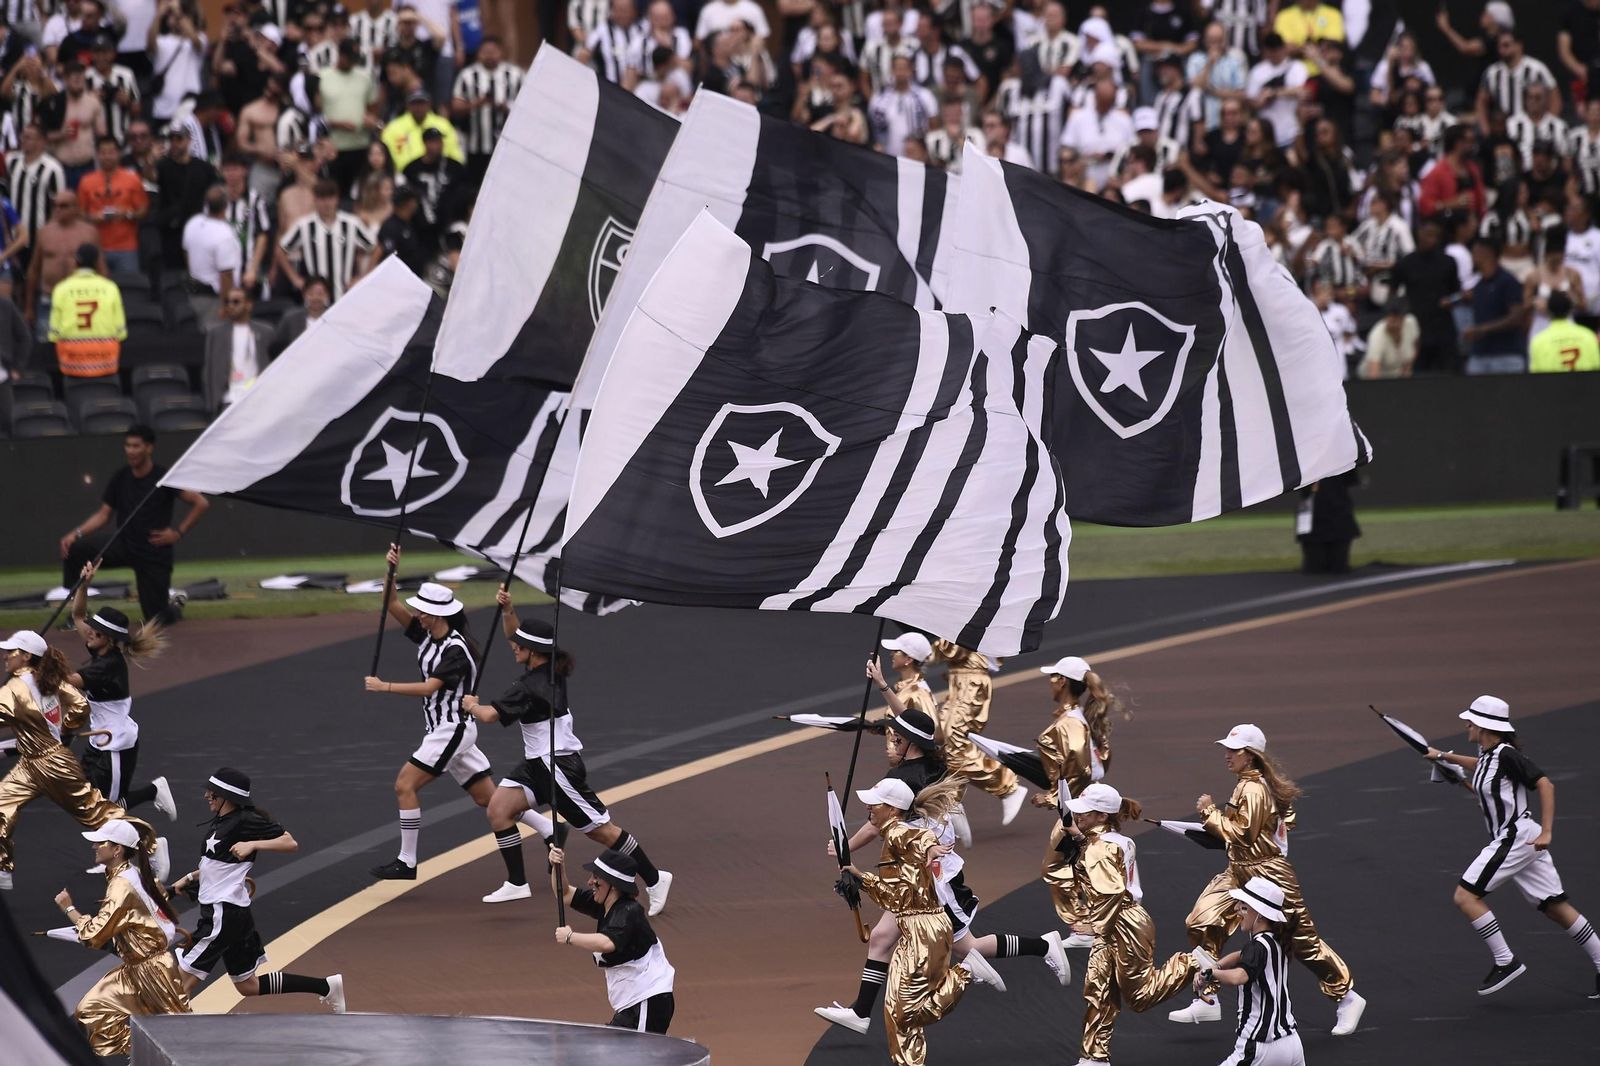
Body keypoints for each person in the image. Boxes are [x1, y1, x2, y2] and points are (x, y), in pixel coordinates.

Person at [461, 589, 673, 912]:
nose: (512, 645)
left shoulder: (529, 687)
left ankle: (655, 878)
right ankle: (517, 883)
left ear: (532, 652)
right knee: (498, 808)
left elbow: (490, 715)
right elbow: (515, 635)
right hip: (537, 764)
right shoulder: (549, 670)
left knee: (603, 832)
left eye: (518, 645)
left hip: (557, 767)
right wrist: (508, 610)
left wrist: (473, 706)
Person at [1169, 724, 1365, 1036]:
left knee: (1302, 942)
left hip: (1269, 874)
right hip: (1239, 870)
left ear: (1250, 756)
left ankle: (1347, 996)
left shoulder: (1254, 789)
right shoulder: (1247, 785)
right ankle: (1207, 996)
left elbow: (1243, 835)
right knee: (1201, 920)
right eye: (1228, 749)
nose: (1226, 755)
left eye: (1234, 750)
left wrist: (1209, 814)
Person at [1426, 696, 1600, 999]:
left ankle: (1505, 961)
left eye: (1471, 721)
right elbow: (1481, 771)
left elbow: (1546, 784)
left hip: (1517, 837)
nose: (1466, 724)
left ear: (1484, 726)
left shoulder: (1506, 755)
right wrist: (1444, 758)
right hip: (1521, 837)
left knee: (1465, 896)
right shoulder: (1489, 755)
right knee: (1555, 907)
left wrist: (1547, 831)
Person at [839, 777, 1002, 1066]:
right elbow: (894, 896)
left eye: (874, 804)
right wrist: (859, 878)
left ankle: (966, 971)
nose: (867, 807)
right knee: (894, 1010)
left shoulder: (899, 832)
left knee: (905, 1013)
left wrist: (930, 849)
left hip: (925, 929)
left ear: (892, 809)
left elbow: (920, 839)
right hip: (912, 924)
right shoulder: (892, 835)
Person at [362, 551, 501, 882]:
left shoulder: (455, 650)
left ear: (437, 616)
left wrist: (385, 687)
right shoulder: (427, 634)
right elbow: (391, 605)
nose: (416, 615)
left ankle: (406, 860)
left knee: (404, 784)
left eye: (422, 611)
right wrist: (391, 570)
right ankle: (550, 829)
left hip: (451, 728)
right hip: (443, 728)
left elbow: (429, 689)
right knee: (490, 800)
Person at [169, 767, 346, 1011]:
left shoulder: (246, 820)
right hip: (235, 914)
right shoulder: (221, 821)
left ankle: (169, 1042)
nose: (207, 796)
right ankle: (326, 987)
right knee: (247, 985)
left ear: (227, 796)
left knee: (180, 984)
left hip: (223, 913)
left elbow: (290, 842)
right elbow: (217, 865)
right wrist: (189, 877)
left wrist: (252, 844)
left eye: (213, 792)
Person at [0, 629, 158, 893]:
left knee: (94, 813)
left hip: (51, 766)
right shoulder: (49, 679)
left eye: (11, 652)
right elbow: (80, 706)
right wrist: (64, 729)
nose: (5, 656)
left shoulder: (14, 688)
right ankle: (3, 868)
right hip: (35, 761)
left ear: (27, 656)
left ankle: (148, 842)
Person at [1059, 782, 1202, 1066]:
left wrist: (1094, 926)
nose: (1079, 817)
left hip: (1119, 922)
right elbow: (1103, 859)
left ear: (1102, 817)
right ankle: (1094, 1057)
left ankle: (1194, 962)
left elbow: (1111, 891)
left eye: (1086, 813)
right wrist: (1080, 838)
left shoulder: (1099, 848)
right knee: (1099, 990)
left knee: (1140, 997)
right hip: (1120, 919)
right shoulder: (1112, 840)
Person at [56, 819, 190, 1057]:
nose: (94, 846)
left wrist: (69, 909)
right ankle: (146, 1055)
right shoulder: (131, 874)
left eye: (100, 843)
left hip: (152, 970)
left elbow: (94, 935)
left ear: (117, 849)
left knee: (183, 1035)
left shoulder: (121, 884)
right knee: (90, 1012)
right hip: (136, 968)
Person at [60, 424, 209, 625]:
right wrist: (75, 533)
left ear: (149, 448)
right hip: (124, 544)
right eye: (127, 446)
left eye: (136, 446)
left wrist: (178, 533)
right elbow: (104, 515)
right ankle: (76, 612)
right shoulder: (121, 477)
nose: (130, 451)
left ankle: (174, 607)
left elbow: (201, 502)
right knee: (76, 550)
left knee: (156, 621)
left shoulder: (164, 478)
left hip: (154, 552)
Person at [67, 563, 177, 829]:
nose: (90, 632)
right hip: (100, 740)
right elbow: (79, 615)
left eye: (97, 632)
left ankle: (139, 854)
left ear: (109, 639)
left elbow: (69, 681)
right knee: (88, 801)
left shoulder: (108, 666)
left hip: (116, 744)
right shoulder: (100, 650)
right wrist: (84, 584)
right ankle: (152, 792)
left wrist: (38, 663)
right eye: (93, 629)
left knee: (108, 809)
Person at [549, 846, 677, 1032]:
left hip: (646, 999)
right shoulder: (605, 905)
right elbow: (565, 894)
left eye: (597, 879)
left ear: (614, 885)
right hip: (632, 1004)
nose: (590, 881)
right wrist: (557, 866)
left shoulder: (628, 911)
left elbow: (608, 943)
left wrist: (570, 937)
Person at [1198, 876, 1305, 1066]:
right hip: (1292, 1045)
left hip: (1261, 1048)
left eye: (1243, 905)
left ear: (1260, 914)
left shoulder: (1256, 947)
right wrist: (1218, 965)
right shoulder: (1276, 942)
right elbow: (1241, 955)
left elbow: (1239, 977)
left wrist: (1210, 974)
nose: (1237, 909)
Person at [931, 639, 1025, 831]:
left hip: (970, 683)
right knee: (943, 742)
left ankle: (1007, 786)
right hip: (960, 680)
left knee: (955, 744)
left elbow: (954, 647)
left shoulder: (966, 615)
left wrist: (924, 654)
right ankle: (952, 806)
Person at [24, 190, 100, 340]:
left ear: (76, 208)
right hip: (48, 297)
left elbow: (100, 267)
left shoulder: (89, 232)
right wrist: (29, 306)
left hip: (80, 298)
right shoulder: (44, 233)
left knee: (78, 343)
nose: (58, 210)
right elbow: (34, 269)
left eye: (63, 206)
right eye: (55, 206)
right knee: (46, 343)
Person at [48, 241, 124, 379]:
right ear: (97, 262)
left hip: (71, 361)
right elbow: (121, 332)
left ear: (76, 261)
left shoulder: (61, 289)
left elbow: (54, 334)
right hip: (106, 361)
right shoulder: (110, 287)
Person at [76, 135, 147, 275]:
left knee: (129, 289)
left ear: (119, 154)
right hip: (96, 247)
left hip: (126, 247)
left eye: (111, 152)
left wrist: (126, 214)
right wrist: (93, 217)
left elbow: (143, 210)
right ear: (97, 155)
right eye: (103, 152)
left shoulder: (132, 179)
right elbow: (79, 214)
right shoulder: (86, 181)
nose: (107, 156)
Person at [202, 285, 274, 412]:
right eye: (227, 302)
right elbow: (209, 369)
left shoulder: (266, 331)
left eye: (236, 302)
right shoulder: (216, 333)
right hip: (228, 398)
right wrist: (212, 403)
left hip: (258, 397)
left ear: (248, 305)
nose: (230, 306)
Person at [1462, 237, 1528, 375]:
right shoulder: (1479, 286)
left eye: (1474, 253)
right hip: (1479, 356)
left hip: (1506, 356)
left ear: (1487, 253)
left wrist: (1482, 329)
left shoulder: (1508, 282)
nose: (1472, 258)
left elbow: (1516, 318)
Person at [182, 185, 240, 324]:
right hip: (215, 299)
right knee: (216, 340)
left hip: (193, 292)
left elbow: (186, 253)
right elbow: (226, 275)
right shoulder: (224, 234)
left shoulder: (193, 223)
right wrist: (226, 306)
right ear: (226, 205)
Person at [1295, 471, 1359, 574]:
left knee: (1339, 569)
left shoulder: (1343, 458)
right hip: (1315, 518)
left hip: (1338, 517)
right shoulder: (1305, 460)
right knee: (1314, 570)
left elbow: (1350, 480)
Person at [1529, 291, 1600, 372]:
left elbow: (1535, 377)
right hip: (1586, 384)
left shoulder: (1538, 341)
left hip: (1553, 384)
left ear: (1548, 310)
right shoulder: (1588, 336)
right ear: (1570, 310)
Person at [270, 274, 331, 357]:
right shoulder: (291, 318)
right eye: (311, 293)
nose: (315, 297)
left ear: (327, 295)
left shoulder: (334, 317)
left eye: (320, 294)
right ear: (304, 295)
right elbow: (276, 347)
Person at [1359, 299, 1419, 379]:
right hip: (1374, 380)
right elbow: (1373, 375)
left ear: (1403, 317)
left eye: (1397, 316)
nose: (1393, 320)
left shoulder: (1411, 323)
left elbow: (1416, 344)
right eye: (1390, 316)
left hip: (1399, 378)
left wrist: (1406, 372)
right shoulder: (1376, 336)